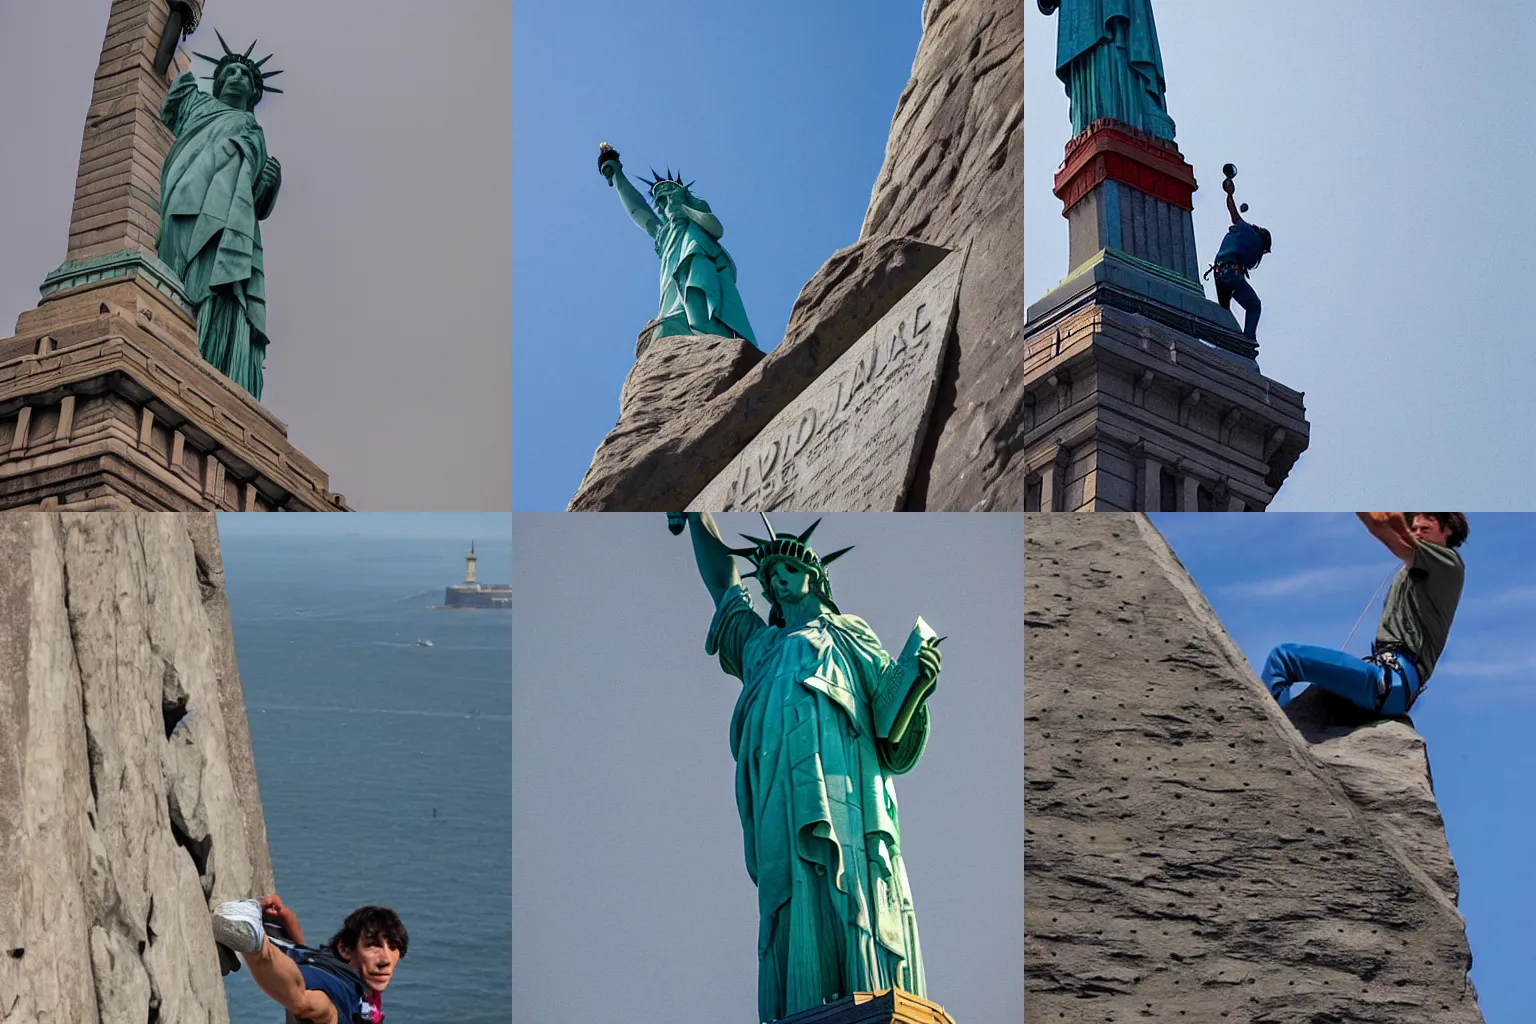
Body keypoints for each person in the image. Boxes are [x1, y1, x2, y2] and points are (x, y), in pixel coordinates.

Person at [681, 512, 940, 1022]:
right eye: (770, 575)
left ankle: (873, 985)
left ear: (815, 578)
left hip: (849, 789)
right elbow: (724, 586)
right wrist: (696, 512)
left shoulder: (848, 636)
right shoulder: (760, 647)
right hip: (780, 794)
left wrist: (917, 687)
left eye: (786, 569)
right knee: (792, 891)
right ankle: (798, 1005)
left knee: (857, 886)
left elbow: (890, 728)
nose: (775, 579)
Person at [156, 35, 284, 400]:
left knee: (222, 287)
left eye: (245, 73)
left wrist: (270, 186)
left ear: (254, 92)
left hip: (231, 222)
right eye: (230, 71)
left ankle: (217, 367)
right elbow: (165, 65)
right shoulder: (195, 105)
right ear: (218, 81)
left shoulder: (252, 129)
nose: (237, 76)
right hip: (183, 204)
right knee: (178, 280)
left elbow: (255, 204)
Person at [1262, 513, 1468, 717]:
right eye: (1414, 529)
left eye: (1425, 529)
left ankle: (1271, 734)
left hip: (1392, 679)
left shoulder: (1447, 563)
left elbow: (1383, 528)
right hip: (1389, 678)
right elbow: (1394, 527)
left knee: (1284, 658)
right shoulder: (1415, 570)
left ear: (1448, 530)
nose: (1417, 534)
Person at [599, 147, 758, 347]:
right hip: (672, 286)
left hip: (701, 267)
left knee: (702, 314)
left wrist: (684, 208)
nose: (666, 201)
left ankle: (713, 341)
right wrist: (618, 176)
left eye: (669, 194)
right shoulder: (663, 233)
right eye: (661, 200)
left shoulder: (696, 218)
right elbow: (637, 209)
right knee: (666, 328)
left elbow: (716, 229)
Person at [211, 894, 407, 1024]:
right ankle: (253, 942)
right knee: (312, 1004)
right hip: (337, 999)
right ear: (346, 950)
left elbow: (303, 954)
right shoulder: (344, 985)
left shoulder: (360, 988)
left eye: (393, 947)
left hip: (322, 977)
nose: (386, 959)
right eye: (373, 945)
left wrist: (286, 917)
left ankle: (253, 938)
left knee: (307, 995)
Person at [1210, 176, 1272, 341]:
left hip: (1218, 271)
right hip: (1232, 273)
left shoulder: (1243, 228)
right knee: (1254, 306)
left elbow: (1232, 211)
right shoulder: (1256, 246)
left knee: (1224, 310)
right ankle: (1248, 339)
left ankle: (1225, 337)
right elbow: (1249, 265)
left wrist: (1229, 194)